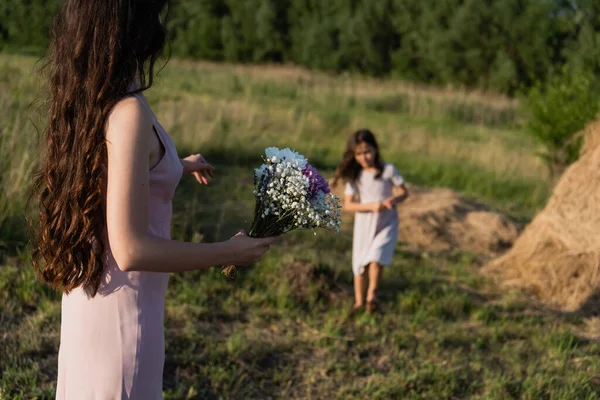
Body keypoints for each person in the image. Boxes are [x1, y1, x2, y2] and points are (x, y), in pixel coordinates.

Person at [31, 1, 278, 398]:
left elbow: (114, 174)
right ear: (133, 27)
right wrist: (228, 250)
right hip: (124, 325)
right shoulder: (128, 109)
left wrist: (173, 166)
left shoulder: (92, 98)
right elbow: (131, 249)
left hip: (89, 309)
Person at [332, 129, 408, 314]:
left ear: (375, 149)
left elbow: (404, 192)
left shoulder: (388, 170)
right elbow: (348, 205)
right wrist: (372, 206)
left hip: (387, 221)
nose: (364, 157)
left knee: (376, 258)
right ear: (353, 154)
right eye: (358, 154)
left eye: (367, 152)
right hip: (365, 223)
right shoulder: (355, 176)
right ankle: (359, 302)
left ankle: (371, 297)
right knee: (360, 264)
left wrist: (394, 200)